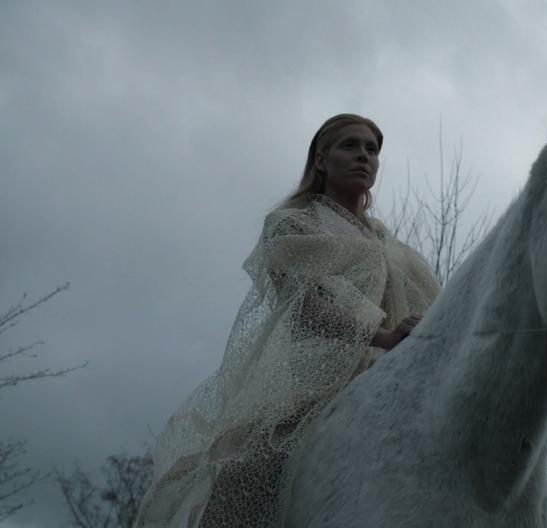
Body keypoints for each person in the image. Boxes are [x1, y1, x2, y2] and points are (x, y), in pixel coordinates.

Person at [134, 114, 441, 527]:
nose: (363, 157)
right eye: (349, 146)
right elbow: (304, 308)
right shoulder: (294, 225)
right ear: (320, 160)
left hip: (395, 375)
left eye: (371, 149)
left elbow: (428, 306)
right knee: (246, 476)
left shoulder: (392, 246)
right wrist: (382, 336)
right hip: (313, 384)